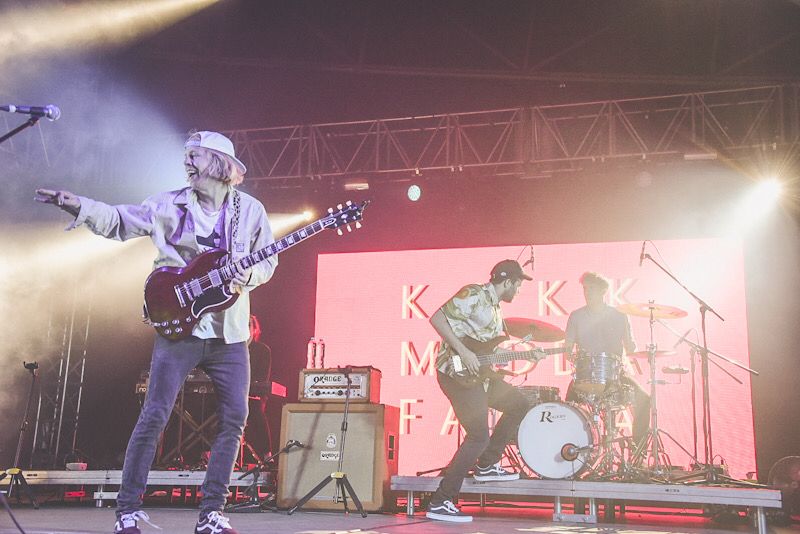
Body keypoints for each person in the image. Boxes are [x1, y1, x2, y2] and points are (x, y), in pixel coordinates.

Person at [35, 130, 277, 534]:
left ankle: (212, 514)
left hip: (229, 334)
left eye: (194, 155)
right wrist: (78, 205)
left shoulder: (250, 211)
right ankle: (127, 511)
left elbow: (267, 263)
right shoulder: (167, 204)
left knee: (234, 419)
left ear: (218, 163)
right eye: (185, 155)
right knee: (155, 415)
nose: (187, 162)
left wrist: (246, 273)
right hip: (179, 329)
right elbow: (119, 222)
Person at [425, 259, 533, 523]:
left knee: (519, 404)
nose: (518, 290)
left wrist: (529, 355)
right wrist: (464, 352)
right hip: (455, 374)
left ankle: (486, 464)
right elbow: (437, 318)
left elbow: (487, 352)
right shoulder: (473, 293)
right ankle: (441, 501)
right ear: (506, 282)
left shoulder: (496, 311)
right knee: (478, 435)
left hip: (479, 377)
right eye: (517, 285)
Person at [564, 272, 651, 445]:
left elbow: (630, 347)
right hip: (585, 375)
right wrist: (572, 355)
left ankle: (638, 452)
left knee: (645, 399)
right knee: (567, 411)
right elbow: (567, 350)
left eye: (592, 289)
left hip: (616, 375)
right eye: (585, 288)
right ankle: (570, 453)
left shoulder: (619, 315)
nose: (587, 292)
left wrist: (648, 353)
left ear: (604, 291)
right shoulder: (576, 316)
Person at [245, 314, 273, 462]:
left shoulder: (262, 350)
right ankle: (206, 452)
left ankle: (266, 453)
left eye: (249, 324)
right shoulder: (230, 349)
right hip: (230, 393)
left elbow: (262, 379)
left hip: (253, 394)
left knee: (256, 410)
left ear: (255, 330)